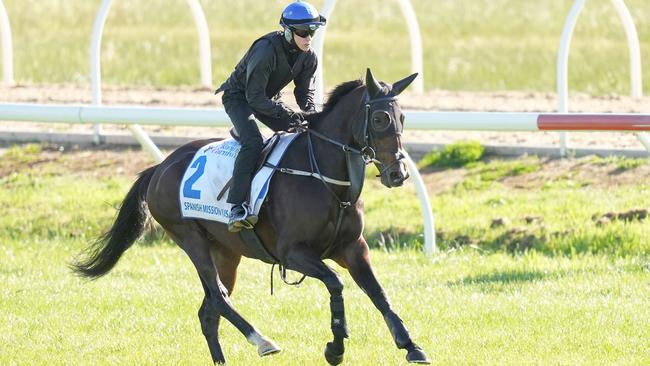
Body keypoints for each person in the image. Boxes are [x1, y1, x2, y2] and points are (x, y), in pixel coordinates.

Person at [215, 1, 326, 232]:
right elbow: (254, 99)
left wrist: (311, 116)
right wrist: (287, 114)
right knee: (253, 142)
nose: (309, 37)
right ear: (287, 31)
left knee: (303, 132)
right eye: (303, 32)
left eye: (313, 31)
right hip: (239, 98)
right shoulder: (266, 50)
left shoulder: (309, 57)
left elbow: (304, 94)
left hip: (267, 99)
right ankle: (237, 206)